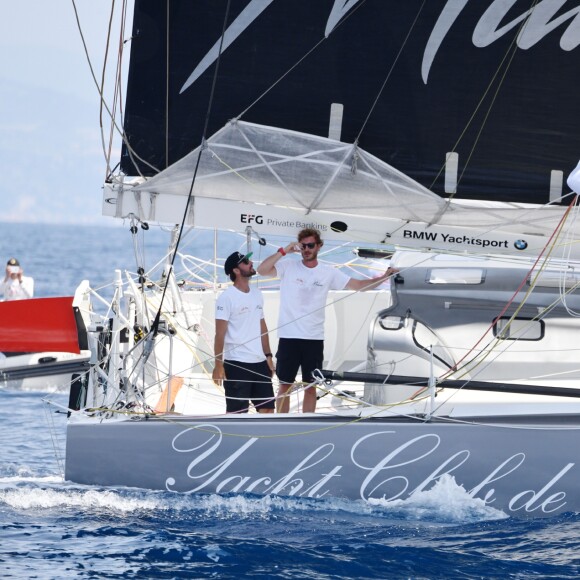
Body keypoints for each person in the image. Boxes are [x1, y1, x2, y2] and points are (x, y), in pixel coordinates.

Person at [257, 228, 398, 413]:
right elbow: (261, 270)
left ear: (319, 246)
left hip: (314, 338)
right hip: (289, 337)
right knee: (285, 386)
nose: (307, 249)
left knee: (311, 387)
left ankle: (307, 425)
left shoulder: (328, 272)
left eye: (311, 245)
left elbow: (359, 286)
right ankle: (281, 423)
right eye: (303, 246)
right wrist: (284, 251)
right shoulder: (288, 266)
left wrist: (385, 276)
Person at [212, 251, 276, 413]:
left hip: (259, 362)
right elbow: (219, 334)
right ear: (236, 270)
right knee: (237, 414)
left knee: (268, 411)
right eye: (246, 261)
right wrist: (218, 364)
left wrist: (268, 356)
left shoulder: (257, 293)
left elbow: (262, 326)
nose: (251, 263)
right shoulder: (226, 297)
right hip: (237, 364)